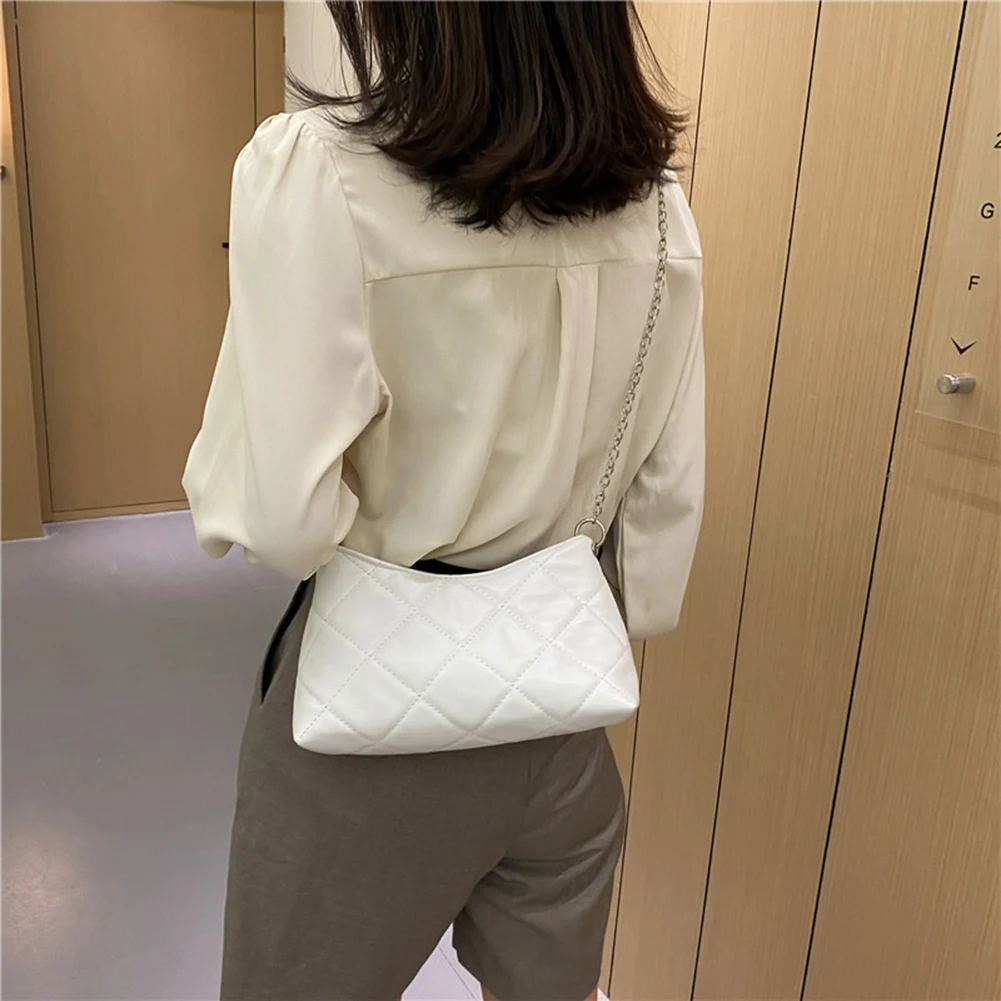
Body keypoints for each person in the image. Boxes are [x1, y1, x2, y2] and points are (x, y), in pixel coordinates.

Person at [182, 2, 704, 998]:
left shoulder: (318, 172)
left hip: (366, 731)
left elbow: (284, 524)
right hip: (558, 717)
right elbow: (664, 493)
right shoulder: (655, 206)